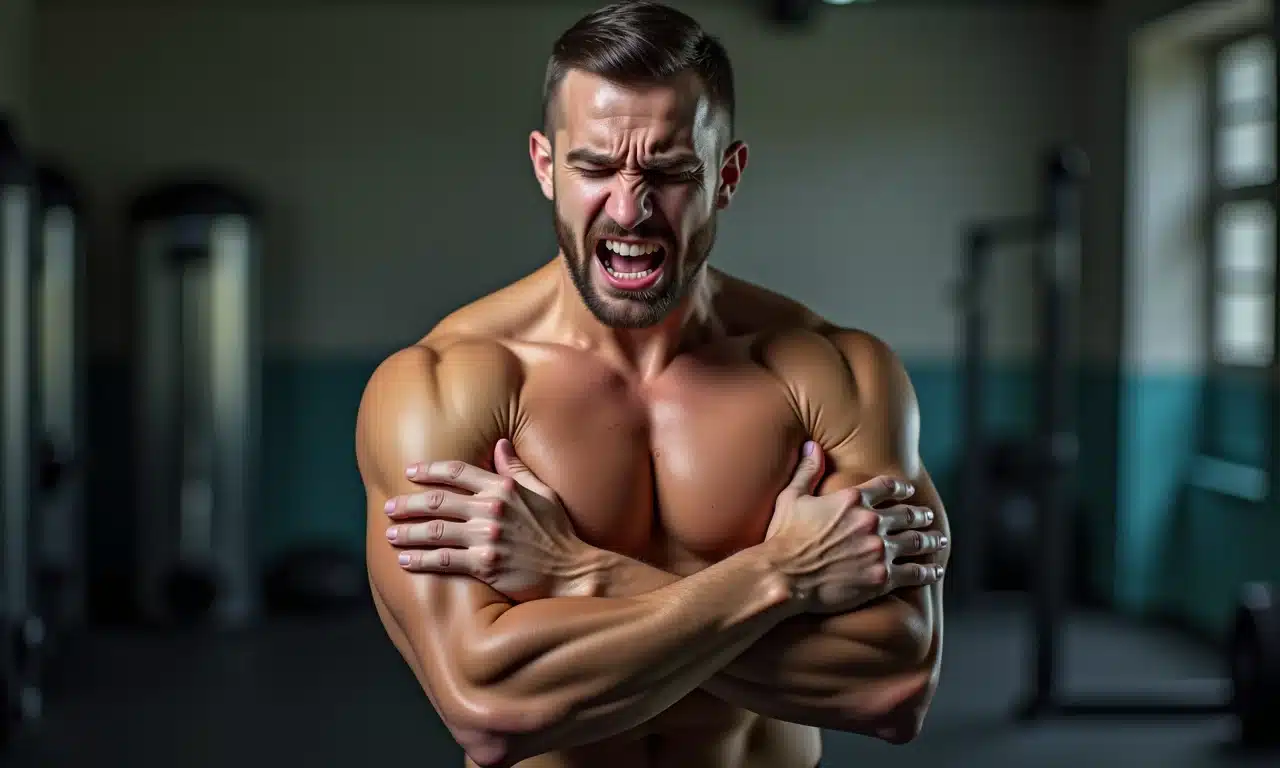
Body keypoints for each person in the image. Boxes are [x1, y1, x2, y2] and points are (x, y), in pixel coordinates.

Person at [355, 3, 950, 767]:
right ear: (545, 166)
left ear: (726, 175)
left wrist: (580, 574)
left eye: (669, 172)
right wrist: (783, 574)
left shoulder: (833, 373)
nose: (629, 210)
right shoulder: (447, 386)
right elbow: (490, 707)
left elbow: (894, 685)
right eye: (595, 168)